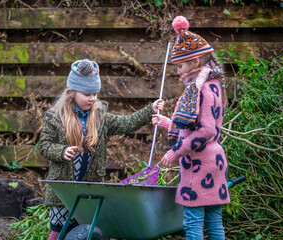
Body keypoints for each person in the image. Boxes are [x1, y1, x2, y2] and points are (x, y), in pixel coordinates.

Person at [39, 59, 164, 240]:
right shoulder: (55, 117)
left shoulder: (100, 117)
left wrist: (149, 110)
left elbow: (126, 123)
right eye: (87, 94)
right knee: (59, 229)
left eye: (95, 94)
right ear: (71, 92)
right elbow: (44, 145)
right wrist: (61, 151)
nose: (92, 98)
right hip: (64, 190)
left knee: (87, 229)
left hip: (90, 187)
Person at [152, 16, 229, 240]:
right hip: (214, 162)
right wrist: (168, 122)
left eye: (181, 66)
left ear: (195, 62)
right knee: (215, 222)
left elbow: (205, 131)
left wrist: (176, 152)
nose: (178, 71)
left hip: (199, 166)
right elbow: (198, 124)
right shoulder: (214, 84)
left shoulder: (201, 90)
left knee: (193, 223)